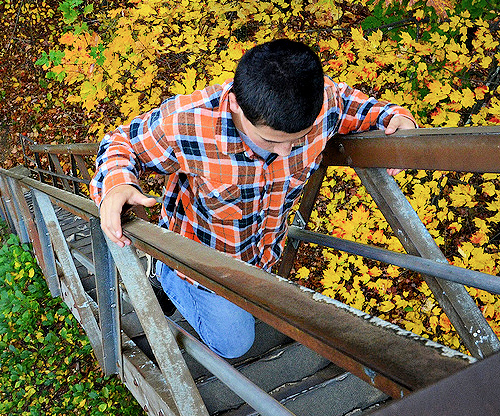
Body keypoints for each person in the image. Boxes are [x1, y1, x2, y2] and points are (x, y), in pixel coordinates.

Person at [89, 39, 417, 358]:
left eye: (297, 141)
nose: (284, 152)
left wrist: (398, 120)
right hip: (201, 258)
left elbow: (364, 108)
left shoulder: (322, 101)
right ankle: (166, 272)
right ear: (235, 104)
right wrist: (116, 185)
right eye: (269, 141)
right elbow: (122, 143)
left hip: (264, 255)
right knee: (236, 344)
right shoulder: (190, 122)